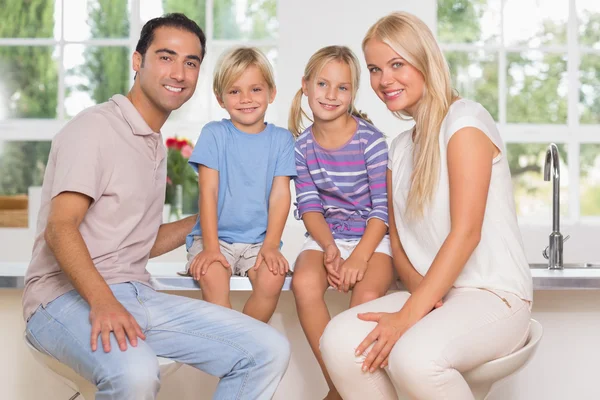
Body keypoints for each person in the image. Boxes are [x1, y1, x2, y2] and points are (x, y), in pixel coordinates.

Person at [22, 14, 290, 400]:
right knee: (135, 370)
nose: (179, 72)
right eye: (166, 57)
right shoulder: (95, 129)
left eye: (191, 62)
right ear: (137, 61)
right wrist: (103, 302)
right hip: (62, 299)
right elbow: (60, 227)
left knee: (267, 349)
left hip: (136, 292)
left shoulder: (152, 143)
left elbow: (134, 241)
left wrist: (207, 220)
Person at [319, 12, 534, 400]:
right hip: (437, 295)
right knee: (338, 340)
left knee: (415, 357)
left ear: (425, 60)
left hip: (494, 296)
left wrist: (409, 315)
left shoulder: (464, 121)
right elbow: (399, 243)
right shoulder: (399, 148)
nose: (385, 80)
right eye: (374, 69)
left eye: (397, 64)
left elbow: (466, 232)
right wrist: (426, 299)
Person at [289, 45, 394, 400]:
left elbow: (383, 211)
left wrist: (358, 258)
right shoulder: (302, 147)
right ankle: (341, 386)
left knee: (365, 299)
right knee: (303, 283)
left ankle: (340, 393)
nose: (331, 95)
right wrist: (330, 249)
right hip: (325, 237)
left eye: (342, 88)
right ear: (305, 86)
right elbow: (309, 206)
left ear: (352, 94)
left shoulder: (372, 142)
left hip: (372, 239)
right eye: (322, 84)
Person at [184, 46, 296, 323]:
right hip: (214, 238)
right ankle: (233, 349)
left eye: (255, 89)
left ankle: (247, 346)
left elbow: (281, 196)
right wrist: (210, 248)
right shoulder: (214, 134)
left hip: (259, 241)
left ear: (271, 92)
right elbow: (207, 194)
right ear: (220, 98)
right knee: (212, 277)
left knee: (272, 280)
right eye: (235, 91)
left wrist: (271, 246)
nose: (246, 99)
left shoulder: (281, 140)